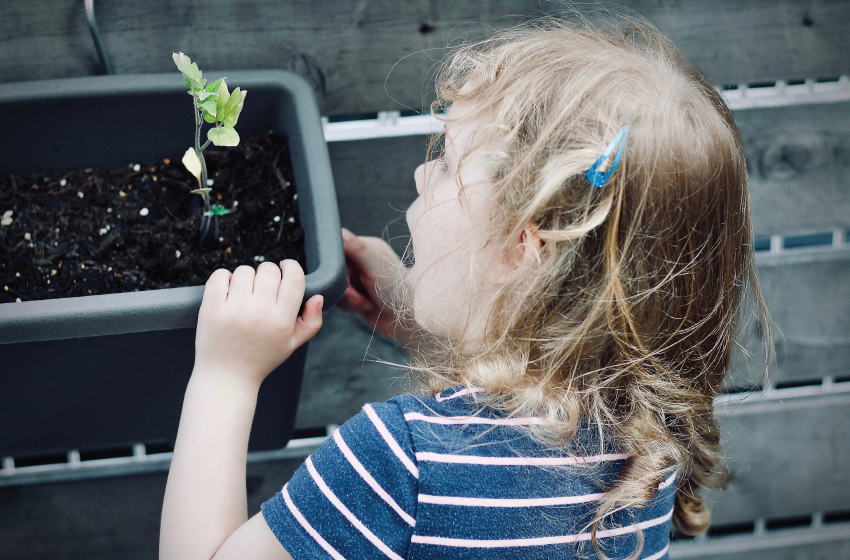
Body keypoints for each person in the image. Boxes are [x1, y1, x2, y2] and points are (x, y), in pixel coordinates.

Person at [160, 15, 769, 560]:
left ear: (519, 249)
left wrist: (225, 375)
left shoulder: (401, 464)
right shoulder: (650, 450)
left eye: (448, 163)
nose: (423, 174)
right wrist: (415, 321)